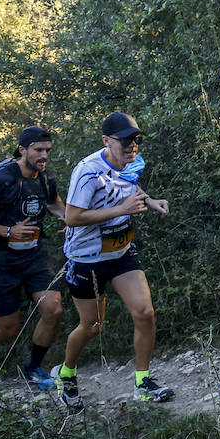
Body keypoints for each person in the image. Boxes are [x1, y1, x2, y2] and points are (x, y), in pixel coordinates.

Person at [54, 112, 173, 409]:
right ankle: (66, 374)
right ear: (107, 141)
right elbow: (72, 217)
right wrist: (121, 210)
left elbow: (131, 187)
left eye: (136, 139)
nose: (132, 146)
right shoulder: (88, 172)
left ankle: (142, 383)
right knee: (92, 325)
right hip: (87, 257)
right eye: (125, 141)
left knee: (145, 312)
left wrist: (150, 201)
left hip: (121, 251)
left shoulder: (134, 161)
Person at [0, 126, 67, 390]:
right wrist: (9, 231)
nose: (44, 156)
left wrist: (68, 219)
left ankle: (33, 368)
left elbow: (53, 202)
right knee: (9, 328)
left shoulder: (45, 178)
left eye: (47, 151)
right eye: (38, 150)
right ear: (22, 150)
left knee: (53, 309)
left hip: (33, 257)